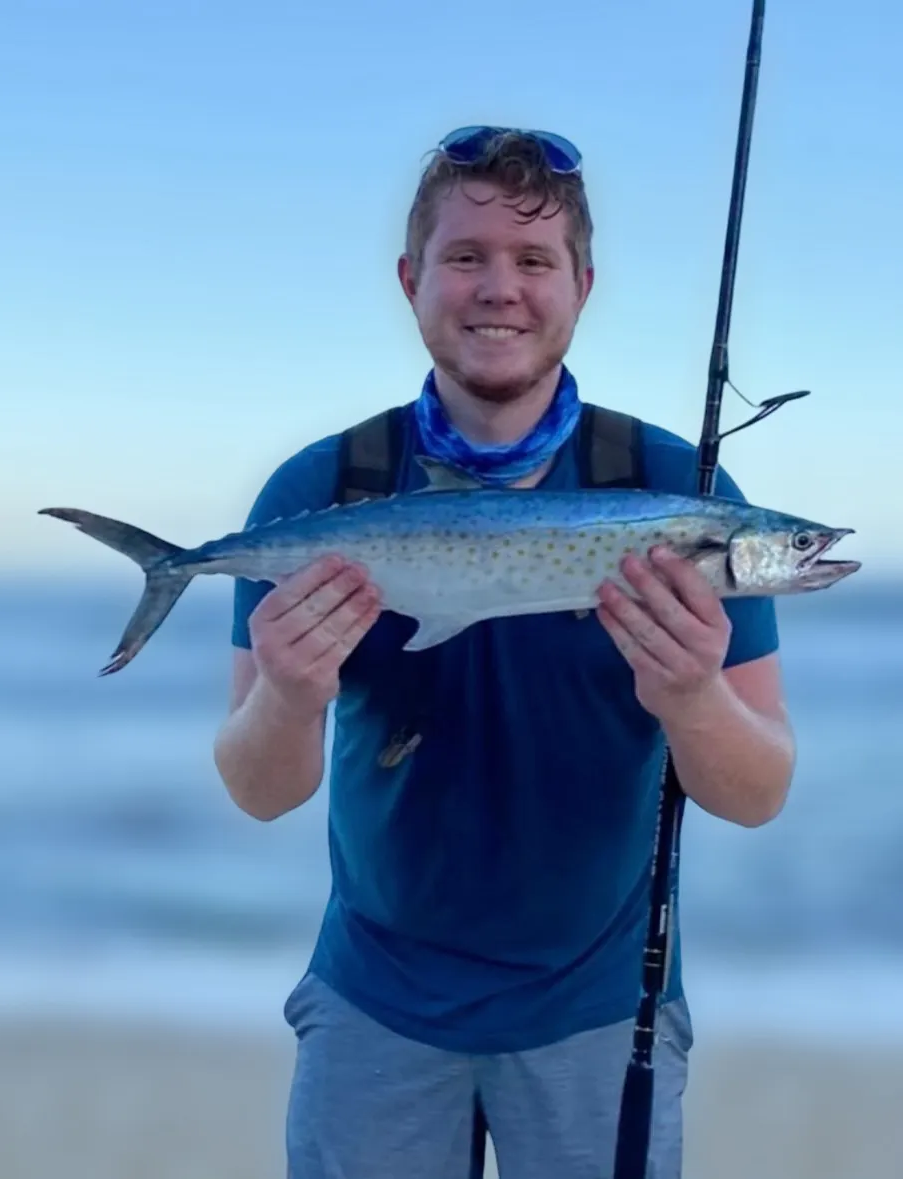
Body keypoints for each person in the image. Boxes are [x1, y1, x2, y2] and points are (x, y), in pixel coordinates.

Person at [213, 126, 795, 1179]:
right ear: (411, 278)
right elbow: (258, 790)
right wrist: (291, 699)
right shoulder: (324, 489)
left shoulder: (679, 490)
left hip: (600, 1008)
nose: (500, 289)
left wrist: (692, 695)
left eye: (533, 262)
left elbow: (757, 792)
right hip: (374, 1001)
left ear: (581, 285)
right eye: (466, 257)